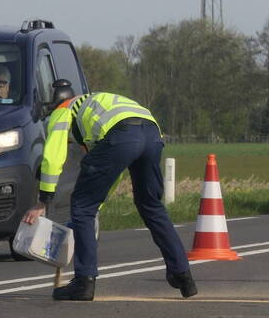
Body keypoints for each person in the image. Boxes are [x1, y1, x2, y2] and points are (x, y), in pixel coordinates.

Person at [21, 81, 197, 301]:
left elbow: (53, 157)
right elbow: (112, 171)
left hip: (121, 135)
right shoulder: (96, 105)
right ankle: (183, 275)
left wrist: (43, 201)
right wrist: (97, 204)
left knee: (81, 206)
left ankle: (83, 283)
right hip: (152, 133)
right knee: (151, 205)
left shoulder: (62, 111)